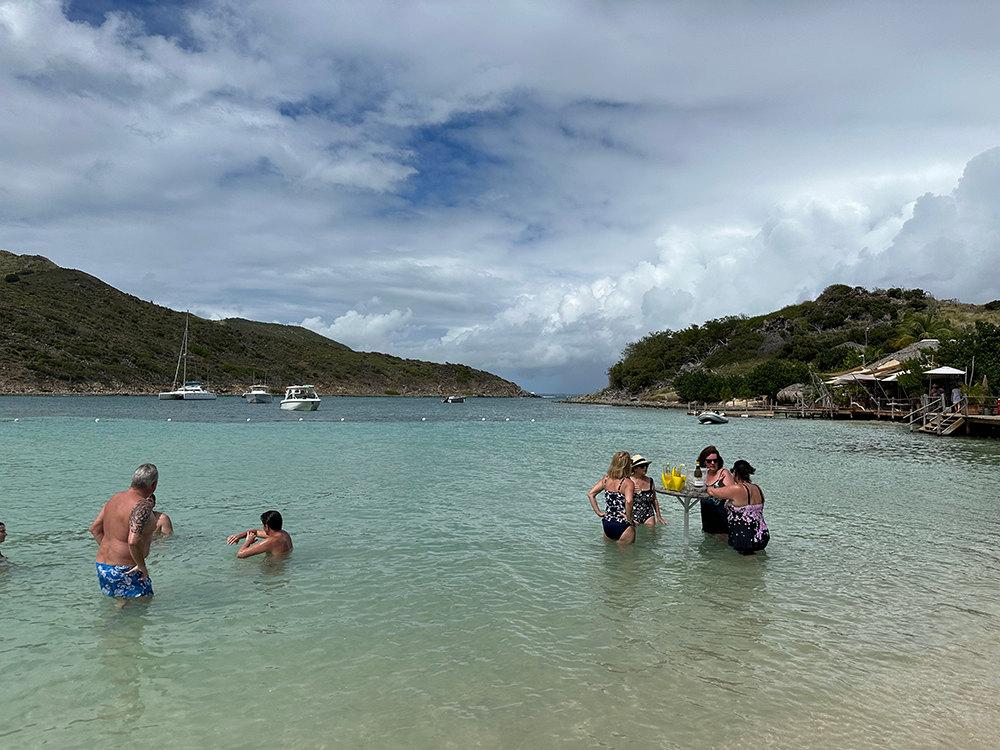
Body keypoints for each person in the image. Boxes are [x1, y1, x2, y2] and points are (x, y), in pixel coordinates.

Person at [89, 464, 159, 597]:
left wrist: (112, 553)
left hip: (103, 566)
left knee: (123, 606)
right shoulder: (142, 505)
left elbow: (94, 529)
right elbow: (133, 541)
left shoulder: (115, 498)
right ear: (153, 485)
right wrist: (141, 565)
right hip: (126, 568)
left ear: (133, 479)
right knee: (141, 604)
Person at [706, 459, 769, 555]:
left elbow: (712, 492)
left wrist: (708, 486)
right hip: (762, 534)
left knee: (749, 562)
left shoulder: (737, 488)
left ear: (735, 472)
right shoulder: (757, 488)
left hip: (745, 538)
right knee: (719, 536)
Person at [587, 451, 636, 544]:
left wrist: (598, 512)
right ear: (627, 465)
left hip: (608, 523)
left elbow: (591, 494)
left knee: (609, 556)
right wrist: (629, 518)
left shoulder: (606, 479)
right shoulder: (627, 483)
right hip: (623, 524)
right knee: (627, 557)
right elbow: (629, 501)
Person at [227, 510, 293, 558]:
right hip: (281, 568)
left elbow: (240, 554)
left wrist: (248, 542)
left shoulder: (272, 541)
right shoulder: (284, 534)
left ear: (266, 527)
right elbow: (256, 532)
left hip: (271, 571)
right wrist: (238, 536)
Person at [697, 445, 732, 536]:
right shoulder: (703, 475)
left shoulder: (723, 473)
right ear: (704, 462)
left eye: (715, 461)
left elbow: (732, 494)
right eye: (709, 461)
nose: (712, 463)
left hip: (723, 522)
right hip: (707, 521)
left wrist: (721, 485)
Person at [629, 455, 666, 527]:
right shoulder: (628, 481)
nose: (645, 468)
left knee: (651, 536)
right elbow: (622, 499)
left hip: (648, 515)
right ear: (635, 468)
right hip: (633, 515)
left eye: (646, 466)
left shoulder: (650, 481)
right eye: (642, 466)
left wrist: (659, 516)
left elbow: (654, 500)